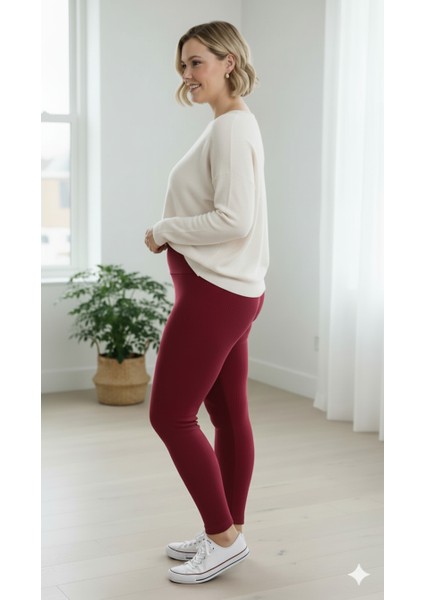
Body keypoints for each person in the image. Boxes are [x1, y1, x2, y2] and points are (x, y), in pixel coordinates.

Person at [144, 21, 269, 585]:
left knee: (170, 415)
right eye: (183, 65)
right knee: (226, 415)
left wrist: (165, 228)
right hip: (228, 291)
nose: (187, 74)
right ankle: (228, 531)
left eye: (197, 62)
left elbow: (234, 219)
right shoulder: (231, 124)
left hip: (215, 294)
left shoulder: (231, 129)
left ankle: (221, 538)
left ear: (227, 62)